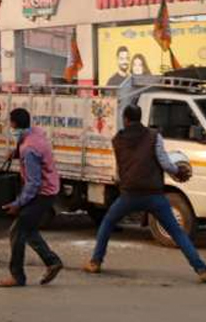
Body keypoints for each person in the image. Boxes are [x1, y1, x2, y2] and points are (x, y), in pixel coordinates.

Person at [82, 105, 206, 282]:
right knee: (177, 232)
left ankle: (95, 262)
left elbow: (119, 168)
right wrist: (177, 171)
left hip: (129, 194)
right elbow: (165, 163)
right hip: (154, 194)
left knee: (107, 224)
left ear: (125, 119)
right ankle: (201, 269)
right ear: (140, 118)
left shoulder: (117, 139)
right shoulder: (154, 136)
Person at [0, 108, 64, 288]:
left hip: (42, 192)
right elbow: (24, 145)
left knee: (17, 231)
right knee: (29, 230)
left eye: (10, 123)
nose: (10, 126)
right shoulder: (34, 134)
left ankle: (17, 276)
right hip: (49, 189)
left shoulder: (29, 149)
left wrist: (18, 204)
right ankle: (52, 262)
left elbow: (33, 183)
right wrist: (15, 153)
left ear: (16, 124)